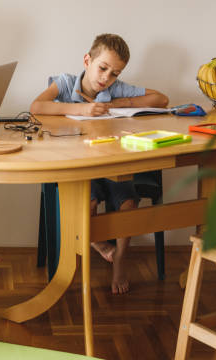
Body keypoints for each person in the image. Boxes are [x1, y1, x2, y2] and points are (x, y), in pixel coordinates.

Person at [30, 33, 169, 294]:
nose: (106, 78)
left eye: (114, 74)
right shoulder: (65, 83)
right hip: (79, 170)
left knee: (128, 203)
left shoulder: (114, 90)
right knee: (88, 203)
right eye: (103, 68)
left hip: (113, 167)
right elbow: (37, 106)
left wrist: (120, 103)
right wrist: (81, 110)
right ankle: (97, 244)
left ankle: (119, 261)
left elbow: (161, 100)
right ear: (87, 60)